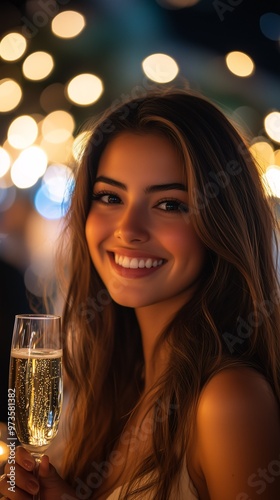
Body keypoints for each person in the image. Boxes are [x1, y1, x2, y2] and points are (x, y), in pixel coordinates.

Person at [0, 87, 280, 499]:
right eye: (110, 197)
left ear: (221, 223)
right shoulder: (116, 381)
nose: (128, 230)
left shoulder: (229, 400)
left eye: (169, 204)